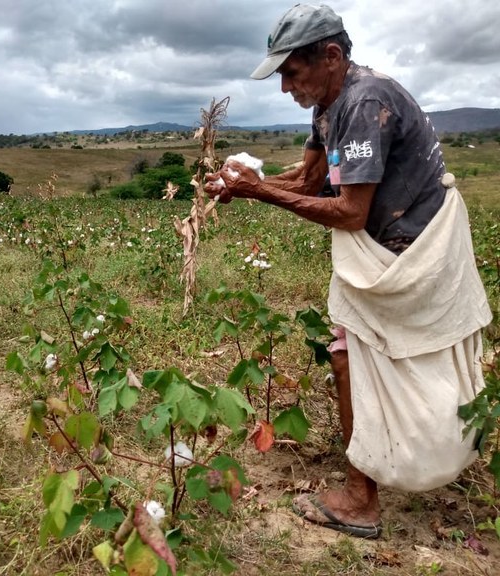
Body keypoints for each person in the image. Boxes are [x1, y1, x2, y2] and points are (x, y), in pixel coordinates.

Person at [205, 4, 492, 538]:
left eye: (292, 71)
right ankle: (376, 476)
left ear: (331, 56)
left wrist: (258, 190)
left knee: (356, 361)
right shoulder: (329, 105)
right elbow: (313, 180)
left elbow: (350, 211)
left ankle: (362, 499)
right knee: (351, 356)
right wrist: (239, 187)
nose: (286, 87)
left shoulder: (364, 103)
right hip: (386, 251)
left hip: (410, 257)